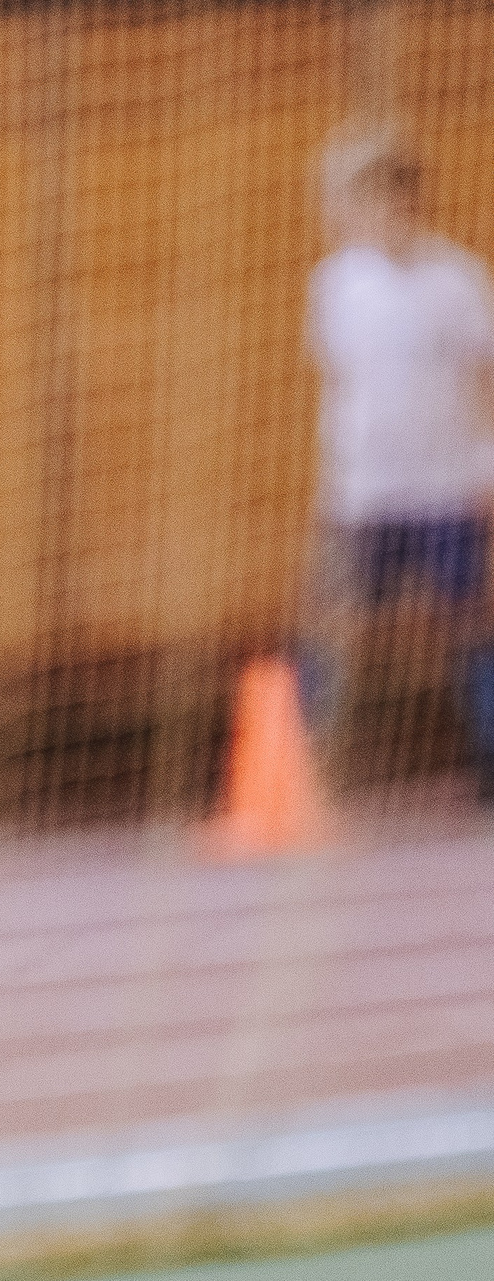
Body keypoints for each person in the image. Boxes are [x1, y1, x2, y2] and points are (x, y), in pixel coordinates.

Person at [301, 125, 494, 795]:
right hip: (364, 493)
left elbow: (483, 375)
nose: (363, 215)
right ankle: (310, 766)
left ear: (406, 199)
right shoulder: (335, 284)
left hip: (446, 485)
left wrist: (484, 463)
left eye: (376, 198)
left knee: (469, 620)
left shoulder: (458, 278)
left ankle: (487, 759)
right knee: (338, 621)